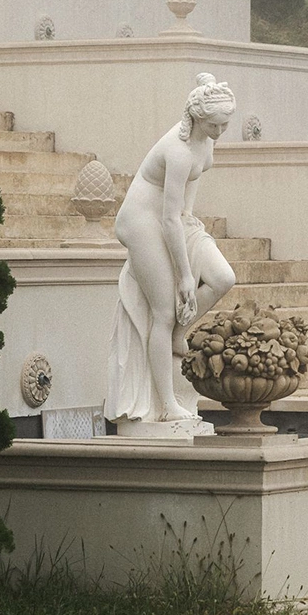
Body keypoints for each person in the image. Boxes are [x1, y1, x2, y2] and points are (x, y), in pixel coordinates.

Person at [107, 72, 237, 430]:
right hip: (143, 221)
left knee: (223, 278)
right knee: (164, 313)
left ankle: (181, 332)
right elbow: (166, 220)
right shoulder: (178, 152)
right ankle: (166, 405)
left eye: (225, 124)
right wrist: (183, 275)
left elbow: (183, 202)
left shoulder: (205, 139)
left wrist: (190, 223)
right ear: (199, 118)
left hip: (177, 217)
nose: (221, 131)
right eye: (216, 124)